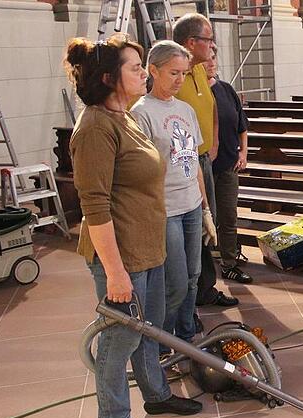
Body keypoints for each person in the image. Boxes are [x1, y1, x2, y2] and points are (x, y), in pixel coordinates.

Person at [65, 34, 202, 418]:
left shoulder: (123, 117)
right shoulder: (94, 128)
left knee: (149, 329)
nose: (144, 73)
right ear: (109, 77)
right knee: (119, 339)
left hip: (147, 245)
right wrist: (115, 272)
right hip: (121, 255)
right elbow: (94, 207)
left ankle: (157, 396)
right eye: (135, 67)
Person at [131, 41, 217, 354]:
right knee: (175, 283)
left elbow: (193, 162)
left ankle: (186, 336)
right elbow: (139, 172)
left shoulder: (186, 110)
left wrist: (206, 208)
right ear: (153, 70)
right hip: (165, 209)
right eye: (173, 72)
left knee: (194, 276)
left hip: (192, 204)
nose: (180, 79)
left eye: (184, 73)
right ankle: (162, 343)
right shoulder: (141, 113)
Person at [172, 13, 242, 306]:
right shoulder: (174, 74)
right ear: (191, 42)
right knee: (196, 225)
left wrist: (210, 145)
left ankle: (205, 288)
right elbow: (174, 118)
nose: (213, 46)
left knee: (207, 222)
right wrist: (194, 156)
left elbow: (211, 107)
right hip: (185, 163)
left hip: (203, 158)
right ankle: (193, 293)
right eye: (208, 39)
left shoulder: (199, 70)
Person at [203, 47, 254, 283]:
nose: (211, 63)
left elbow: (242, 125)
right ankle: (203, 272)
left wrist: (243, 152)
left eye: (213, 58)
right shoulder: (195, 93)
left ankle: (229, 263)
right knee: (204, 218)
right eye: (206, 59)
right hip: (202, 168)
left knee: (228, 216)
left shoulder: (226, 90)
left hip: (227, 165)